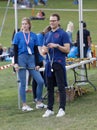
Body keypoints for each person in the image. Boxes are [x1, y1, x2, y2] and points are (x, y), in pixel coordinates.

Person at [13, 17, 46, 111]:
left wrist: (37, 63)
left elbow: (36, 51)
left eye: (26, 24)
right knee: (23, 83)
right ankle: (24, 105)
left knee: (40, 81)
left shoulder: (34, 35)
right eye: (23, 24)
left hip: (31, 59)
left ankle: (39, 102)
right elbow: (15, 50)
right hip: (21, 58)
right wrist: (15, 63)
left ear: (29, 25)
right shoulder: (18, 35)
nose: (24, 25)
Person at [40, 13, 70, 117]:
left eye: (54, 20)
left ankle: (62, 108)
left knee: (61, 86)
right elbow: (43, 50)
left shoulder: (63, 34)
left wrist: (57, 46)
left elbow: (67, 49)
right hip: (49, 64)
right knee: (49, 87)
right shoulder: (47, 34)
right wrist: (44, 50)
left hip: (59, 63)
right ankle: (50, 108)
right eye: (50, 21)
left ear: (58, 22)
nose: (52, 22)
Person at [32, 26, 51, 103]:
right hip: (36, 60)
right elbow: (40, 51)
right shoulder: (40, 36)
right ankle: (35, 97)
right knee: (36, 79)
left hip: (41, 60)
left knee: (41, 78)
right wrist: (48, 58)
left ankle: (39, 96)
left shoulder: (45, 37)